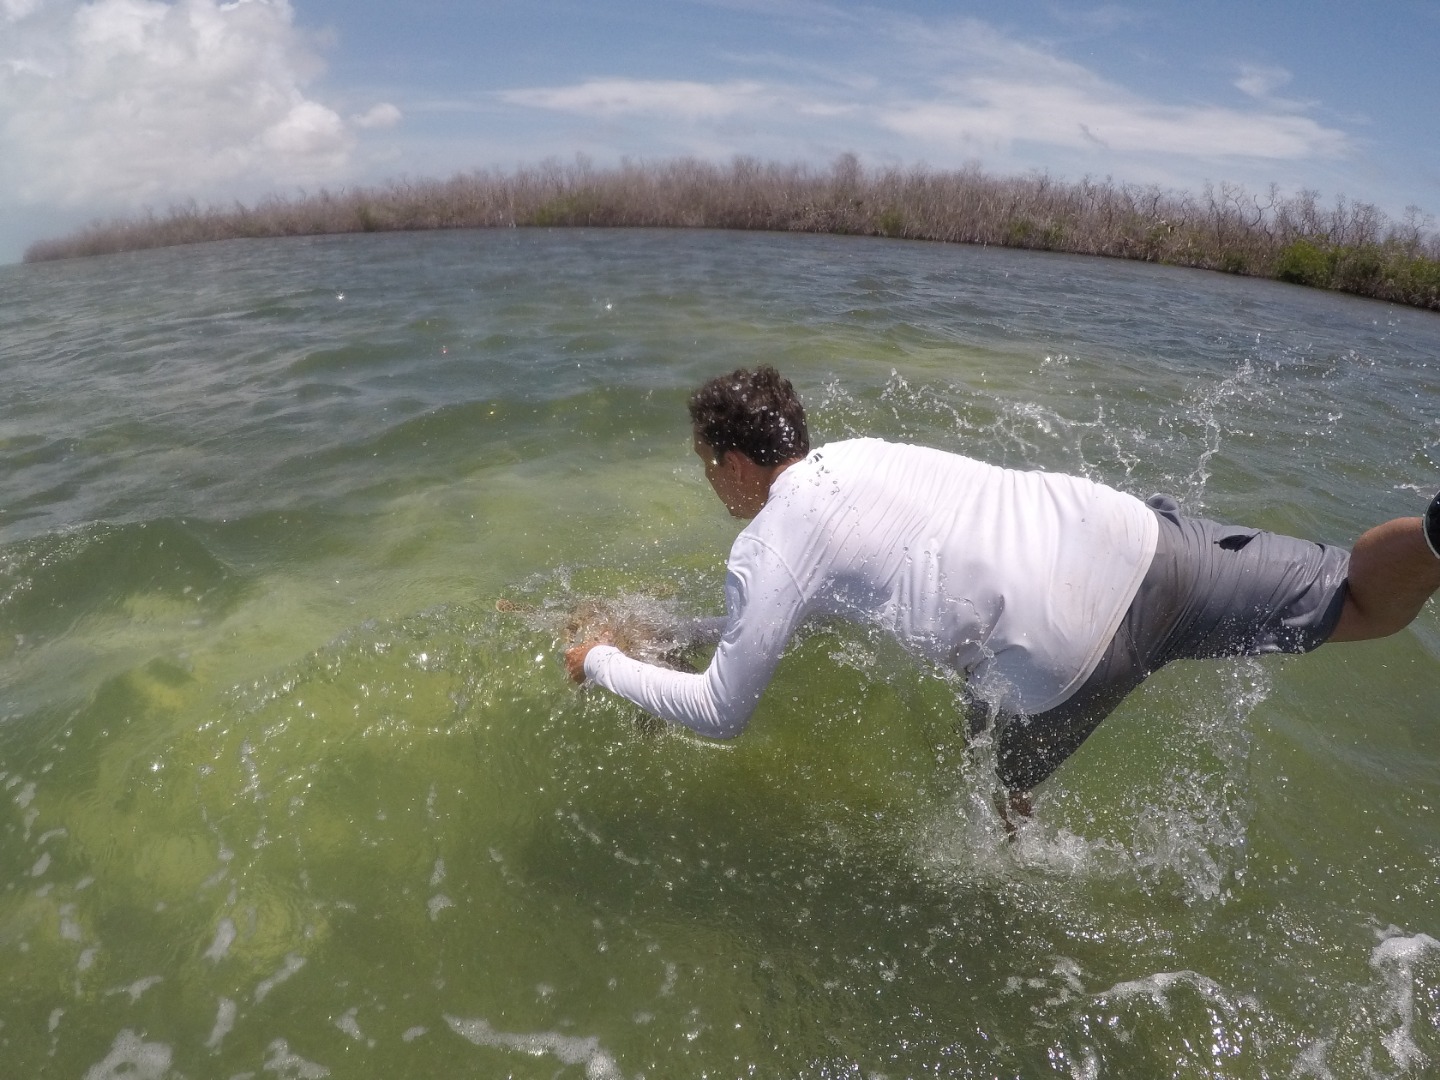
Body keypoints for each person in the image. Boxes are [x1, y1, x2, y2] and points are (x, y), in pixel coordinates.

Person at [565, 366, 1440, 805]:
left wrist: (602, 661)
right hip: (1139, 545)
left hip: (1059, 663)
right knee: (1361, 601)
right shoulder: (858, 457)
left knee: (992, 804)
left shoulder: (766, 546)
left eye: (705, 465)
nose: (709, 484)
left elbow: (722, 711)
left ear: (732, 464)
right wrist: (682, 632)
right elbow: (811, 602)